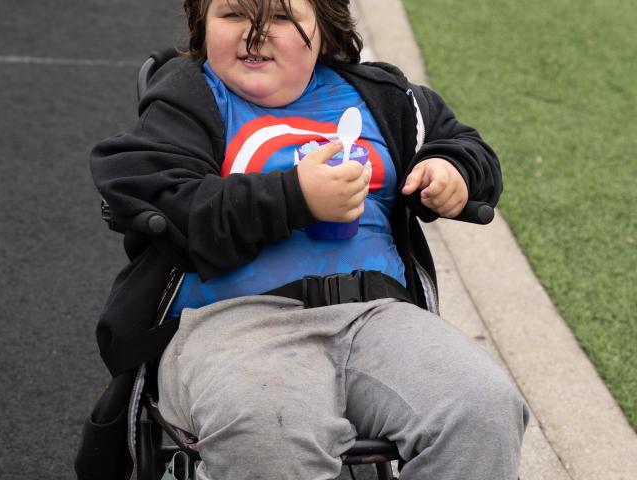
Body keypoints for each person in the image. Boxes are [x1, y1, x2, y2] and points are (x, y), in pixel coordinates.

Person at [77, 0, 529, 479]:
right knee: (270, 431)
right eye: (233, 14)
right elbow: (157, 192)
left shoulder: (383, 96)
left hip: (379, 318)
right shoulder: (189, 98)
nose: (255, 33)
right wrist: (294, 197)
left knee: (481, 407)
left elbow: (465, 145)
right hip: (231, 326)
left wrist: (452, 169)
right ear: (202, 25)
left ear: (326, 31)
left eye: (280, 17)